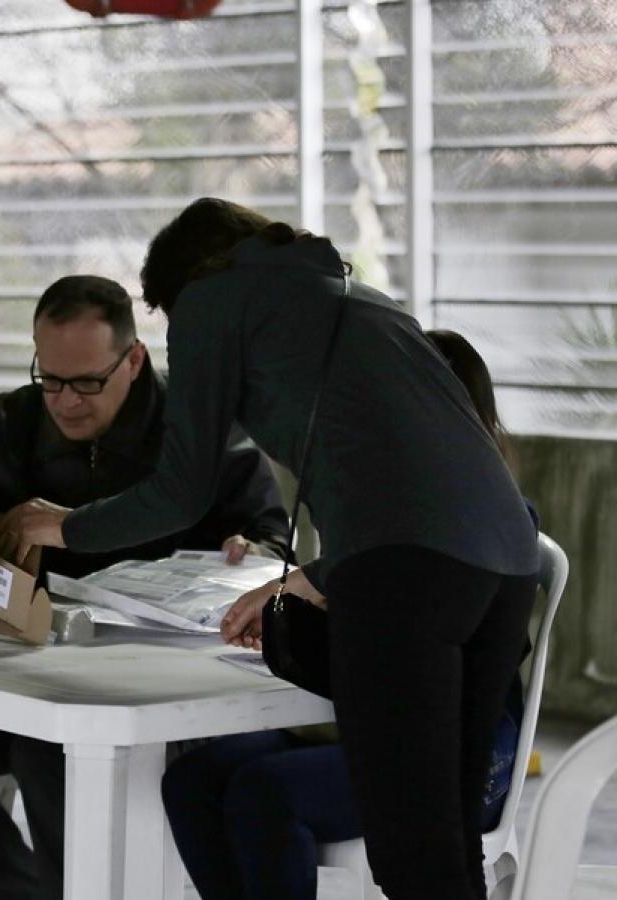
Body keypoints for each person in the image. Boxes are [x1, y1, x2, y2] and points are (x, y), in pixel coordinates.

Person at [6, 199, 539, 900]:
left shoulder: (211, 304)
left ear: (178, 288)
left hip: (406, 574)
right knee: (444, 843)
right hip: (507, 565)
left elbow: (181, 490)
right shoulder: (359, 299)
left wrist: (60, 527)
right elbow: (440, 483)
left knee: (412, 854)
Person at [0, 274, 289, 899]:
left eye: (88, 382)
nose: (66, 402)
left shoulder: (201, 432)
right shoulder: (11, 424)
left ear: (134, 359)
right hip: (28, 671)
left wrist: (254, 551)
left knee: (51, 747)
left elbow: (273, 545)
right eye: (51, 379)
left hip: (169, 690)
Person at [156, 327, 535, 900]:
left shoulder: (498, 519)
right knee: (194, 778)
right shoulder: (379, 507)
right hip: (353, 723)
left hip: (464, 754)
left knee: (266, 791)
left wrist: (317, 577)